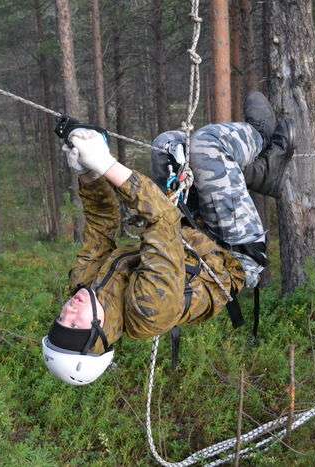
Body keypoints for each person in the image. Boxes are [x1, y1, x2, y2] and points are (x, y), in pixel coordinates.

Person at [41, 91, 294, 386]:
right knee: (207, 146)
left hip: (191, 232)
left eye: (61, 318)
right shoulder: (148, 312)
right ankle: (262, 138)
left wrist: (87, 174)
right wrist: (105, 165)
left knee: (168, 145)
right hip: (231, 251)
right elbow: (160, 221)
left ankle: (261, 173)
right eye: (75, 324)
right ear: (100, 333)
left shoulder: (84, 284)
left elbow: (101, 227)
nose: (69, 310)